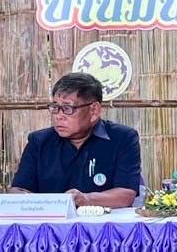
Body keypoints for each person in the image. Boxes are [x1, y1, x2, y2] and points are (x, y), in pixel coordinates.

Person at [10, 72, 141, 207]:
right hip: (51, 225)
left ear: (94, 111)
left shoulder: (123, 138)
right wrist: (45, 204)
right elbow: (18, 190)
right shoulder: (38, 141)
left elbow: (126, 194)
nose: (58, 116)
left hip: (101, 225)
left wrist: (87, 199)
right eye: (55, 107)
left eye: (67, 108)